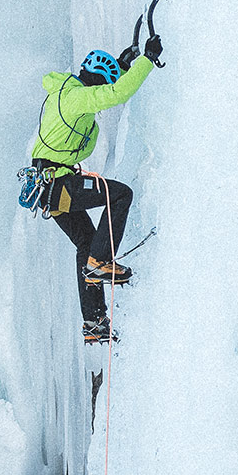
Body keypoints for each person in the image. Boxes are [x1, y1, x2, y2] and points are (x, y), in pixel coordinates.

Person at [31, 32, 164, 343]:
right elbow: (114, 94)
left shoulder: (70, 92)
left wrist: (121, 64)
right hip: (57, 182)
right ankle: (100, 264)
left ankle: (94, 321)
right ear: (96, 80)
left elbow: (104, 90)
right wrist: (146, 61)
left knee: (87, 244)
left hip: (49, 189)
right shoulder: (75, 96)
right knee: (120, 195)